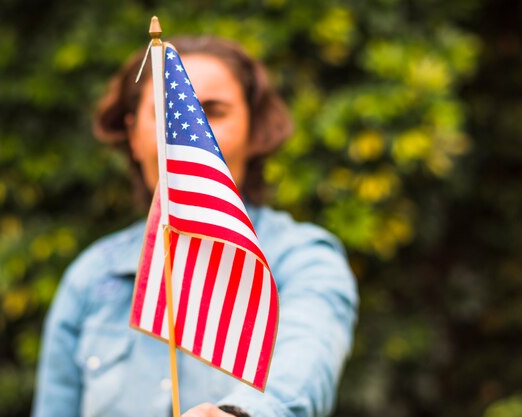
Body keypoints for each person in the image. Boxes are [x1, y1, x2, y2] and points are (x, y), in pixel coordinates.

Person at [32, 36, 358, 417]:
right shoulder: (90, 278)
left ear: (254, 133)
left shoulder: (303, 261)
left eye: (214, 113)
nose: (188, 136)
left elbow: (305, 364)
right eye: (167, 114)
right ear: (135, 136)